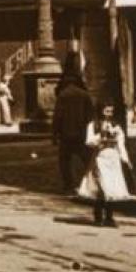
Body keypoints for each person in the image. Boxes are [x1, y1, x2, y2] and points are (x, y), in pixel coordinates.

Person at [78, 101, 133, 226]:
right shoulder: (93, 125)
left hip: (112, 158)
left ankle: (109, 216)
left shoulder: (116, 126)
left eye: (111, 111)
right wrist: (100, 137)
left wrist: (125, 159)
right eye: (106, 111)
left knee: (111, 187)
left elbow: (121, 144)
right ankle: (98, 216)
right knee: (102, 186)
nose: (109, 114)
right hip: (100, 157)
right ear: (100, 111)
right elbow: (89, 141)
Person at [53, 53, 95, 194]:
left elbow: (57, 117)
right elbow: (91, 116)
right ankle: (91, 182)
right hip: (82, 133)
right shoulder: (85, 95)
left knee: (65, 160)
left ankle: (69, 186)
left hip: (66, 133)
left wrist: (54, 134)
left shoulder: (63, 95)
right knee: (87, 159)